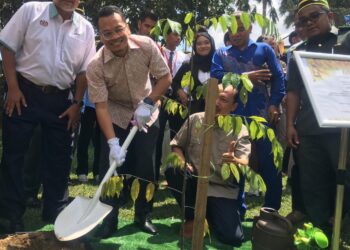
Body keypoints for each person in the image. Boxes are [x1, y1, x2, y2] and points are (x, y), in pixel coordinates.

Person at [0, 0, 96, 233]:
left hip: (61, 100)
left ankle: (55, 210)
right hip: (24, 92)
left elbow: (85, 70)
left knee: (60, 157)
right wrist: (12, 87)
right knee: (15, 154)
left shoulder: (85, 28)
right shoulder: (31, 10)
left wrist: (77, 103)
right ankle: (10, 214)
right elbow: (7, 46)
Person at [86, 6, 172, 237]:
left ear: (127, 27)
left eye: (118, 29)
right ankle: (108, 219)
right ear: (100, 36)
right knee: (110, 168)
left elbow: (165, 77)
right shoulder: (95, 66)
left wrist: (149, 102)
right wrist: (112, 142)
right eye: (107, 33)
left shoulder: (146, 45)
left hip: (147, 111)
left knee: (146, 166)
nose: (114, 37)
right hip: (115, 113)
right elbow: (101, 106)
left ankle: (143, 215)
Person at [211, 12, 285, 210]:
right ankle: (236, 208)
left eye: (241, 29)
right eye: (232, 29)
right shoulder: (221, 53)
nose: (236, 33)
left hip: (261, 116)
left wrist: (274, 103)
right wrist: (244, 76)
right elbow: (215, 77)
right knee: (235, 161)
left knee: (269, 163)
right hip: (232, 118)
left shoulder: (264, 50)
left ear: (251, 28)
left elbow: (278, 77)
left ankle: (272, 209)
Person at [286, 0, 350, 229]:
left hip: (344, 126)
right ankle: (319, 225)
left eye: (314, 16)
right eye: (303, 21)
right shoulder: (299, 52)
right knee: (313, 180)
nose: (309, 23)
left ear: (329, 15)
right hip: (310, 127)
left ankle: (342, 220)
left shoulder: (346, 40)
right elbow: (293, 91)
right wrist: (290, 124)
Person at [165, 84, 251, 246]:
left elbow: (244, 161)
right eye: (214, 97)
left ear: (234, 106)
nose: (216, 102)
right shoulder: (195, 119)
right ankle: (192, 217)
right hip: (195, 183)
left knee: (232, 238)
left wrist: (234, 161)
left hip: (221, 189)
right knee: (173, 168)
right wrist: (182, 162)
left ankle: (207, 216)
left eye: (223, 100)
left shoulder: (240, 130)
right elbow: (177, 145)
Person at [155, 27, 189, 181]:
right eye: (175, 34)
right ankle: (154, 174)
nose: (178, 38)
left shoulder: (183, 57)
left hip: (177, 100)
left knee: (176, 137)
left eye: (179, 35)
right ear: (166, 35)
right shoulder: (157, 51)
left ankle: (175, 177)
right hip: (159, 97)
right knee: (156, 135)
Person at [169, 30, 216, 138]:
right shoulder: (189, 64)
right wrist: (180, 92)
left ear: (211, 44)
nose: (203, 46)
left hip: (212, 111)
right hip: (192, 111)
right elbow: (175, 82)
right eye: (199, 44)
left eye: (206, 42)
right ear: (194, 47)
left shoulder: (217, 64)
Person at [76, 91, 101, 183]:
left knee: (100, 140)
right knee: (84, 138)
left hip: (104, 105)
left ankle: (98, 171)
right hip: (88, 105)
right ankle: (82, 170)